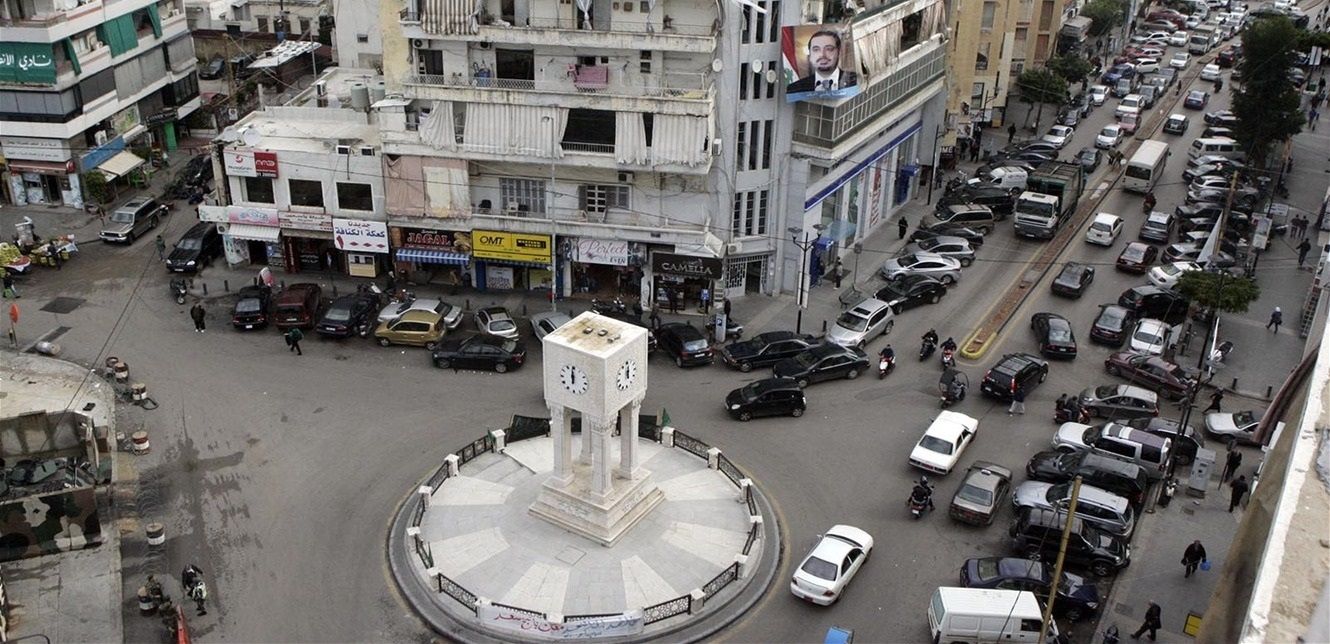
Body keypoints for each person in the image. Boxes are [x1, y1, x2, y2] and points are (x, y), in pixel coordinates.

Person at [786, 30, 858, 94]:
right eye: (816, 49)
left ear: (839, 52)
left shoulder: (857, 80)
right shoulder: (794, 89)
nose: (822, 55)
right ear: (810, 55)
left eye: (829, 49)